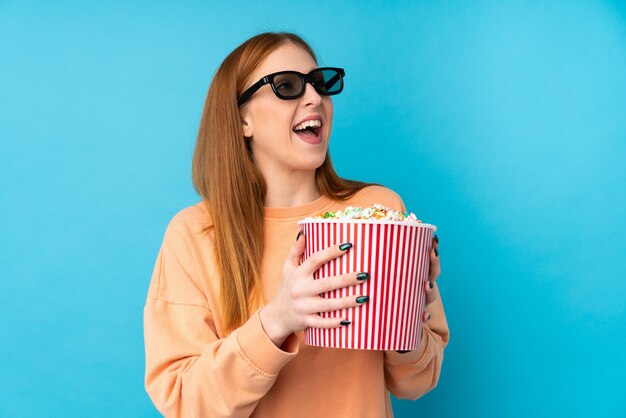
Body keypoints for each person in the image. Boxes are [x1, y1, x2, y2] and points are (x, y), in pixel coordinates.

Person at [143, 32, 449, 418]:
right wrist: (278, 320)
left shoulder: (379, 212)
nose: (314, 98)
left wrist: (407, 309)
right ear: (242, 120)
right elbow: (185, 402)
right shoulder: (195, 234)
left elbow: (417, 382)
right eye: (287, 86)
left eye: (320, 84)